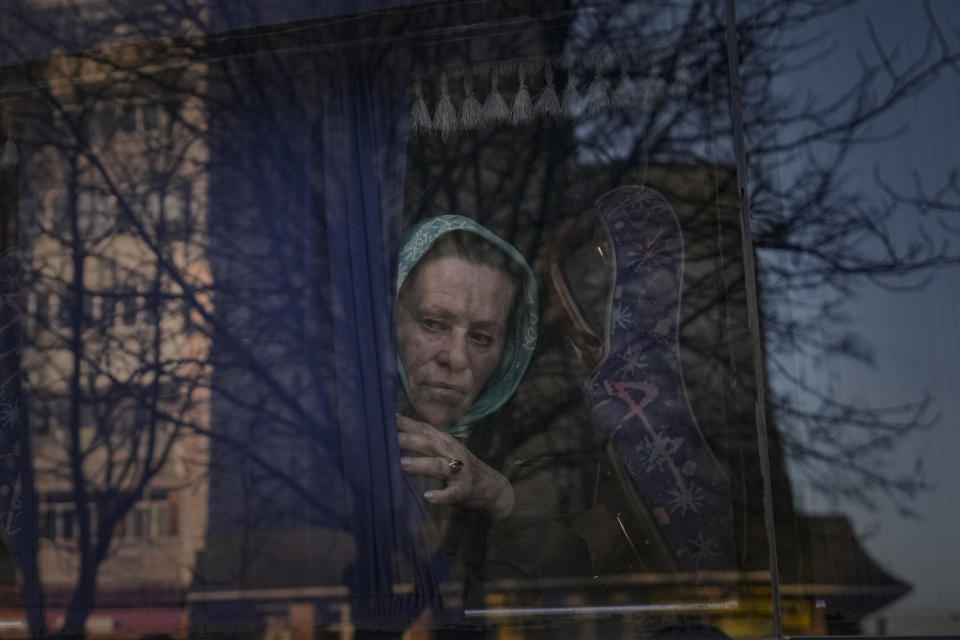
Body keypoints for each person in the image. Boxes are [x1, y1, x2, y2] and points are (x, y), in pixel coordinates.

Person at [394, 215, 539, 522]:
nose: (457, 358)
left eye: (481, 337)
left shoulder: (526, 446)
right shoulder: (318, 433)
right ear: (388, 318)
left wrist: (497, 495)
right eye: (433, 324)